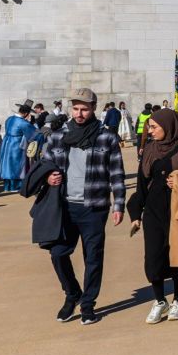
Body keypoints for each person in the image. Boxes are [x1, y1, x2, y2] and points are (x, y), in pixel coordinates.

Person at [38, 88, 125, 325]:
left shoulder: (106, 136)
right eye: (75, 108)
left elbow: (116, 173)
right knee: (58, 254)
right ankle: (72, 293)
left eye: (84, 109)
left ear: (94, 108)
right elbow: (44, 164)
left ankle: (87, 305)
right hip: (64, 205)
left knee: (93, 258)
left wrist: (119, 204)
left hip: (94, 206)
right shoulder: (57, 135)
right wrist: (48, 178)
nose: (79, 113)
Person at [128, 108, 178, 323]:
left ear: (168, 126)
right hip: (154, 212)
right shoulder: (149, 150)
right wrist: (136, 212)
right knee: (153, 259)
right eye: (149, 128)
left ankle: (177, 301)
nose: (150, 131)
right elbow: (141, 185)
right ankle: (159, 300)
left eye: (154, 127)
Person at [0, 101, 41, 192]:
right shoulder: (23, 123)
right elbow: (35, 134)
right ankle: (16, 186)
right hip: (16, 145)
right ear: (26, 113)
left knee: (7, 164)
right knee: (17, 165)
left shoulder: (9, 119)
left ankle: (8, 186)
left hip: (7, 143)